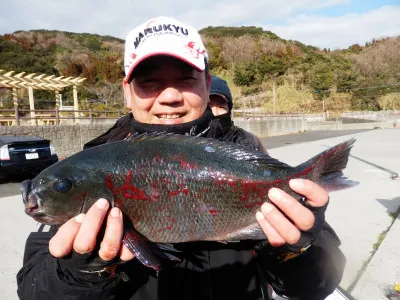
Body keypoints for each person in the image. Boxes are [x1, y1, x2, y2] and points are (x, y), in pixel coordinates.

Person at [17, 16, 345, 300]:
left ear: (206, 83)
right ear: (127, 93)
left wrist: (296, 251)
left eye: (186, 80)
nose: (170, 97)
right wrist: (81, 271)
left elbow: (316, 287)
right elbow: (34, 290)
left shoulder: (247, 153)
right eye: (149, 83)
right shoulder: (91, 163)